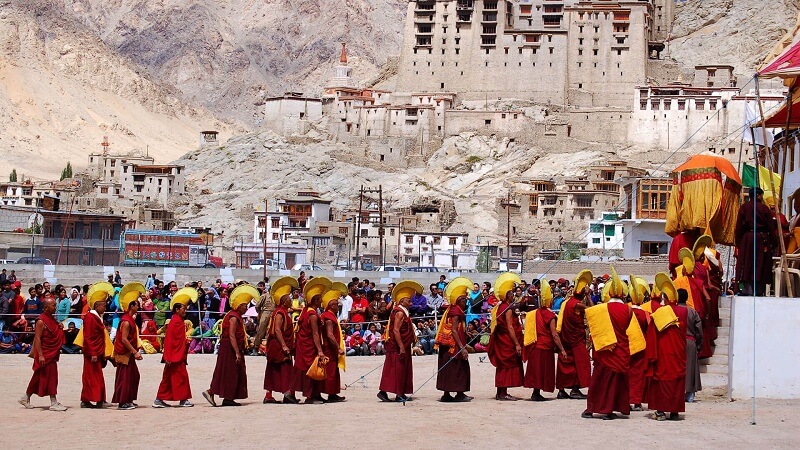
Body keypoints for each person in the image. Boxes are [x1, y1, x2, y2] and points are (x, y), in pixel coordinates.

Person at [581, 268, 633, 420]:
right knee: (616, 382)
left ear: (609, 293)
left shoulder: (601, 309)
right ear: (623, 294)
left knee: (599, 380)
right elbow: (625, 327)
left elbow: (592, 316)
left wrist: (588, 296)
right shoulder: (628, 310)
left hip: (604, 349)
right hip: (620, 349)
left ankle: (591, 409)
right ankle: (609, 410)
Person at [203, 284, 256, 407]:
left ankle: (228, 398)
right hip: (229, 348)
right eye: (244, 306)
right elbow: (232, 335)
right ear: (238, 306)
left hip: (232, 347)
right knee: (227, 371)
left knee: (232, 372)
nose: (246, 308)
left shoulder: (235, 315)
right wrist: (237, 352)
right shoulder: (233, 317)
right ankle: (211, 391)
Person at [646, 273, 688, 421]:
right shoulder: (684, 311)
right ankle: (675, 411)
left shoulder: (660, 312)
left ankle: (661, 411)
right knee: (676, 380)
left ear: (664, 298)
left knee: (663, 380)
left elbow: (652, 335)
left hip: (664, 352)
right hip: (679, 351)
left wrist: (651, 354)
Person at [18, 295, 67, 411]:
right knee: (51, 377)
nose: (55, 307)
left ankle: (25, 397)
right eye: (53, 305)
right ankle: (53, 402)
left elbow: (54, 331)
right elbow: (38, 339)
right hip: (45, 353)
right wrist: (40, 355)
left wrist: (59, 326)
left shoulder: (52, 319)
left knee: (39, 377)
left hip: (51, 352)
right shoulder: (41, 321)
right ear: (45, 308)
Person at [378, 280, 423, 403]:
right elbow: (396, 331)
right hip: (397, 346)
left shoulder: (404, 311)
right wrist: (402, 347)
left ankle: (389, 392)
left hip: (403, 345)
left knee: (396, 369)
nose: (411, 302)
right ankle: (398, 394)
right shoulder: (399, 312)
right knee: (397, 369)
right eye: (409, 300)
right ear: (401, 301)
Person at [523, 281, 567, 401]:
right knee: (542, 370)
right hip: (545, 346)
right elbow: (554, 335)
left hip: (535, 345)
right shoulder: (551, 316)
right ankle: (536, 393)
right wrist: (562, 349)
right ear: (549, 301)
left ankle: (535, 392)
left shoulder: (534, 313)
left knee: (536, 369)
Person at [154, 287, 196, 408]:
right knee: (181, 377)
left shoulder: (177, 321)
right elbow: (170, 340)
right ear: (177, 310)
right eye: (183, 308)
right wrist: (168, 355)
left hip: (175, 355)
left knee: (168, 378)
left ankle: (159, 399)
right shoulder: (175, 322)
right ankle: (183, 399)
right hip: (175, 356)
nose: (185, 310)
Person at [293, 277, 331, 404]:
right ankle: (310, 396)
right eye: (320, 298)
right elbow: (315, 333)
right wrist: (320, 350)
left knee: (316, 368)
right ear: (315, 300)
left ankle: (316, 393)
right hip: (309, 346)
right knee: (311, 369)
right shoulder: (312, 315)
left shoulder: (307, 310)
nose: (322, 301)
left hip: (305, 344)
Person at [556, 270, 593, 400]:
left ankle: (561, 390)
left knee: (566, 362)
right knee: (581, 363)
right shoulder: (578, 304)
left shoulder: (567, 302)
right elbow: (593, 311)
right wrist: (589, 297)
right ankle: (575, 389)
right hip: (576, 339)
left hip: (566, 337)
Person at [487, 272, 524, 401]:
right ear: (507, 295)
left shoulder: (500, 307)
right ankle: (502, 393)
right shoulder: (507, 308)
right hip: (506, 340)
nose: (513, 295)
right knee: (506, 365)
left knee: (502, 366)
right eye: (511, 293)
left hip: (502, 339)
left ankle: (501, 392)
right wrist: (517, 343)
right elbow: (510, 326)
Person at [434, 277, 472, 402]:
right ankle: (459, 394)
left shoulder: (453, 309)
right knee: (458, 368)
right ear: (458, 300)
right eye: (463, 299)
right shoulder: (456, 311)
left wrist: (466, 332)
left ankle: (446, 394)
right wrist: (462, 348)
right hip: (454, 345)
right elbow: (454, 330)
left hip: (449, 345)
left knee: (448, 369)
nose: (465, 302)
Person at [735, 187, 778, 296]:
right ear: (758, 195)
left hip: (748, 238)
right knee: (760, 263)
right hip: (761, 238)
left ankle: (746, 288)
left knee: (747, 261)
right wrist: (774, 242)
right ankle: (758, 289)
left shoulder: (744, 207)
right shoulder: (764, 209)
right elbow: (770, 227)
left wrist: (739, 241)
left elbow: (739, 227)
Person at [263, 276, 299, 404]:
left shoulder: (283, 311)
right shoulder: (279, 313)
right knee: (285, 369)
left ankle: (270, 395)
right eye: (289, 299)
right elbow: (277, 330)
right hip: (278, 345)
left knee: (276, 370)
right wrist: (284, 345)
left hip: (279, 344)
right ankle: (286, 392)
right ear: (284, 301)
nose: (291, 301)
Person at [78, 282, 114, 409]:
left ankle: (100, 399)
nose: (105, 308)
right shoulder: (90, 317)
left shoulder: (97, 317)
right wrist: (93, 352)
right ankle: (89, 400)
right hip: (91, 353)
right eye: (103, 305)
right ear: (97, 306)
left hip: (98, 351)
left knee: (97, 376)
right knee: (91, 377)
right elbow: (88, 337)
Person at [112, 282, 145, 410]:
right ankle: (122, 401)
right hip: (125, 353)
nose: (139, 305)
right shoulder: (126, 321)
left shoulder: (130, 319)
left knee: (133, 376)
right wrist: (134, 352)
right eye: (137, 303)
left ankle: (128, 398)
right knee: (124, 377)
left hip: (129, 353)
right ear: (132, 306)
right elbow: (124, 339)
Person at [321, 282, 348, 402]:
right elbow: (330, 335)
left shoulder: (331, 315)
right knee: (330, 371)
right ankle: (330, 394)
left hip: (332, 349)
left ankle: (333, 393)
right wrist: (338, 347)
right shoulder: (328, 317)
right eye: (337, 304)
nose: (339, 306)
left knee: (334, 371)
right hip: (329, 349)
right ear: (331, 305)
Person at [628, 277, 650, 411]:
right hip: (641, 348)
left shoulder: (626, 310)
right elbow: (648, 330)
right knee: (638, 376)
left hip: (626, 346)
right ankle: (636, 402)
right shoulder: (645, 314)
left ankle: (626, 400)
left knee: (627, 374)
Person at [679, 288, 704, 403]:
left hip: (677, 342)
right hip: (690, 342)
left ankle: (678, 392)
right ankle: (689, 396)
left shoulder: (673, 310)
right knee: (690, 368)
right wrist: (699, 344)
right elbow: (699, 330)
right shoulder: (692, 312)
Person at [252, 282, 276, 354]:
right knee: (261, 330)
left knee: (272, 331)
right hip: (265, 313)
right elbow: (257, 306)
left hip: (274, 313)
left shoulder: (276, 296)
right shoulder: (265, 296)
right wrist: (259, 313)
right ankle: (255, 347)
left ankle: (269, 349)